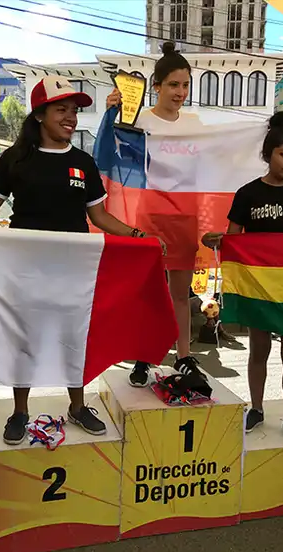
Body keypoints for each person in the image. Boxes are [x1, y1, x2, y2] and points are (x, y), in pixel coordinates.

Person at [0, 76, 165, 445]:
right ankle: (21, 411)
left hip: (74, 272)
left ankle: (77, 406)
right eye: (61, 110)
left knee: (74, 335)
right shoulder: (17, 159)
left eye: (74, 111)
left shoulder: (83, 162)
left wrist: (138, 236)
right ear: (39, 114)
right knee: (24, 339)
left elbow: (100, 218)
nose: (70, 117)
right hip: (25, 269)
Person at [201, 112, 283, 446]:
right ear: (268, 154)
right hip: (258, 286)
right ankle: (256, 409)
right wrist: (218, 239)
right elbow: (234, 241)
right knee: (259, 350)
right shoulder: (247, 194)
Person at [105, 41, 209, 388]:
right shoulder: (139, 120)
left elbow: (220, 160)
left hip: (184, 218)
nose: (180, 92)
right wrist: (110, 115)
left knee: (181, 293)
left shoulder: (196, 124)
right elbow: (109, 155)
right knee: (146, 293)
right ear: (157, 86)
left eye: (185, 85)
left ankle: (183, 356)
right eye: (173, 85)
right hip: (148, 218)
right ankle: (143, 357)